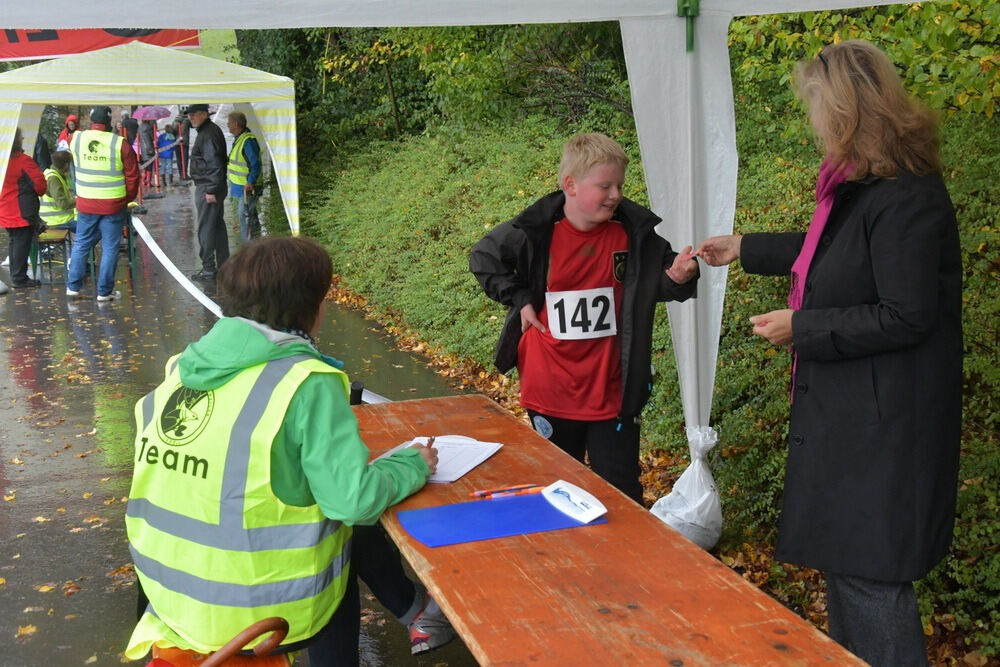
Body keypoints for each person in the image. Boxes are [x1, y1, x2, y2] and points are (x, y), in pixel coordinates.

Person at [696, 40, 961, 666]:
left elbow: (908, 314)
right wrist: (746, 247)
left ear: (846, 111)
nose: (812, 121)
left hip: (886, 428)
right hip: (856, 421)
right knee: (850, 569)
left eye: (815, 106)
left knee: (870, 575)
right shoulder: (864, 187)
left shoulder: (907, 196)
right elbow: (836, 257)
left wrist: (804, 327)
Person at [123, 236, 455, 665]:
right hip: (254, 612)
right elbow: (352, 502)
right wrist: (412, 463)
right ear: (310, 309)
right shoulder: (306, 382)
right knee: (341, 527)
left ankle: (417, 611)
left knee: (329, 500)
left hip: (169, 596)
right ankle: (416, 612)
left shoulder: (180, 371)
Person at [469, 132, 699, 503]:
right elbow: (483, 259)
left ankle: (622, 561)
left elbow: (660, 281)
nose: (616, 194)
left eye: (620, 185)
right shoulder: (535, 230)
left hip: (613, 391)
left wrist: (678, 275)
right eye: (605, 186)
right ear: (570, 185)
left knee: (622, 495)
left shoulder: (633, 232)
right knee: (558, 492)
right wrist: (520, 297)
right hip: (550, 389)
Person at [66, 105, 140, 302]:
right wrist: (127, 199)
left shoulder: (76, 139)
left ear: (91, 121)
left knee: (81, 244)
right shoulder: (120, 143)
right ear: (109, 123)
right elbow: (133, 176)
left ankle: (73, 287)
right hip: (113, 205)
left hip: (86, 203)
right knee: (110, 248)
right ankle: (104, 292)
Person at [0, 127, 46, 288]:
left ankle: (16, 275)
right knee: (21, 243)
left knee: (14, 242)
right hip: (22, 210)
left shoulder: (3, 160)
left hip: (5, 208)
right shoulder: (23, 161)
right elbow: (40, 185)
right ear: (17, 141)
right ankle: (19, 278)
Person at [187, 103, 229, 280]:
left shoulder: (208, 134)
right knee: (217, 226)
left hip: (208, 186)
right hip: (213, 185)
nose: (191, 117)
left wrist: (210, 189)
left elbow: (214, 164)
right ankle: (224, 265)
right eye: (189, 115)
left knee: (206, 227)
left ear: (204, 114)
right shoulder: (209, 131)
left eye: (194, 114)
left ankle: (209, 267)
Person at [226, 111, 263, 242]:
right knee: (248, 217)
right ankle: (255, 247)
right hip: (241, 187)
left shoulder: (247, 141)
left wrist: (250, 182)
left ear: (236, 124)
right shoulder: (240, 139)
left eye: (229, 123)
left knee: (246, 217)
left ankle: (250, 249)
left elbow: (255, 164)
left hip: (247, 188)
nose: (227, 125)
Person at [39, 150, 76, 233]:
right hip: (57, 221)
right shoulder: (53, 179)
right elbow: (64, 204)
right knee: (91, 229)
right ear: (66, 165)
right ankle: (79, 246)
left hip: (51, 219)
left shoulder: (50, 173)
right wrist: (80, 201)